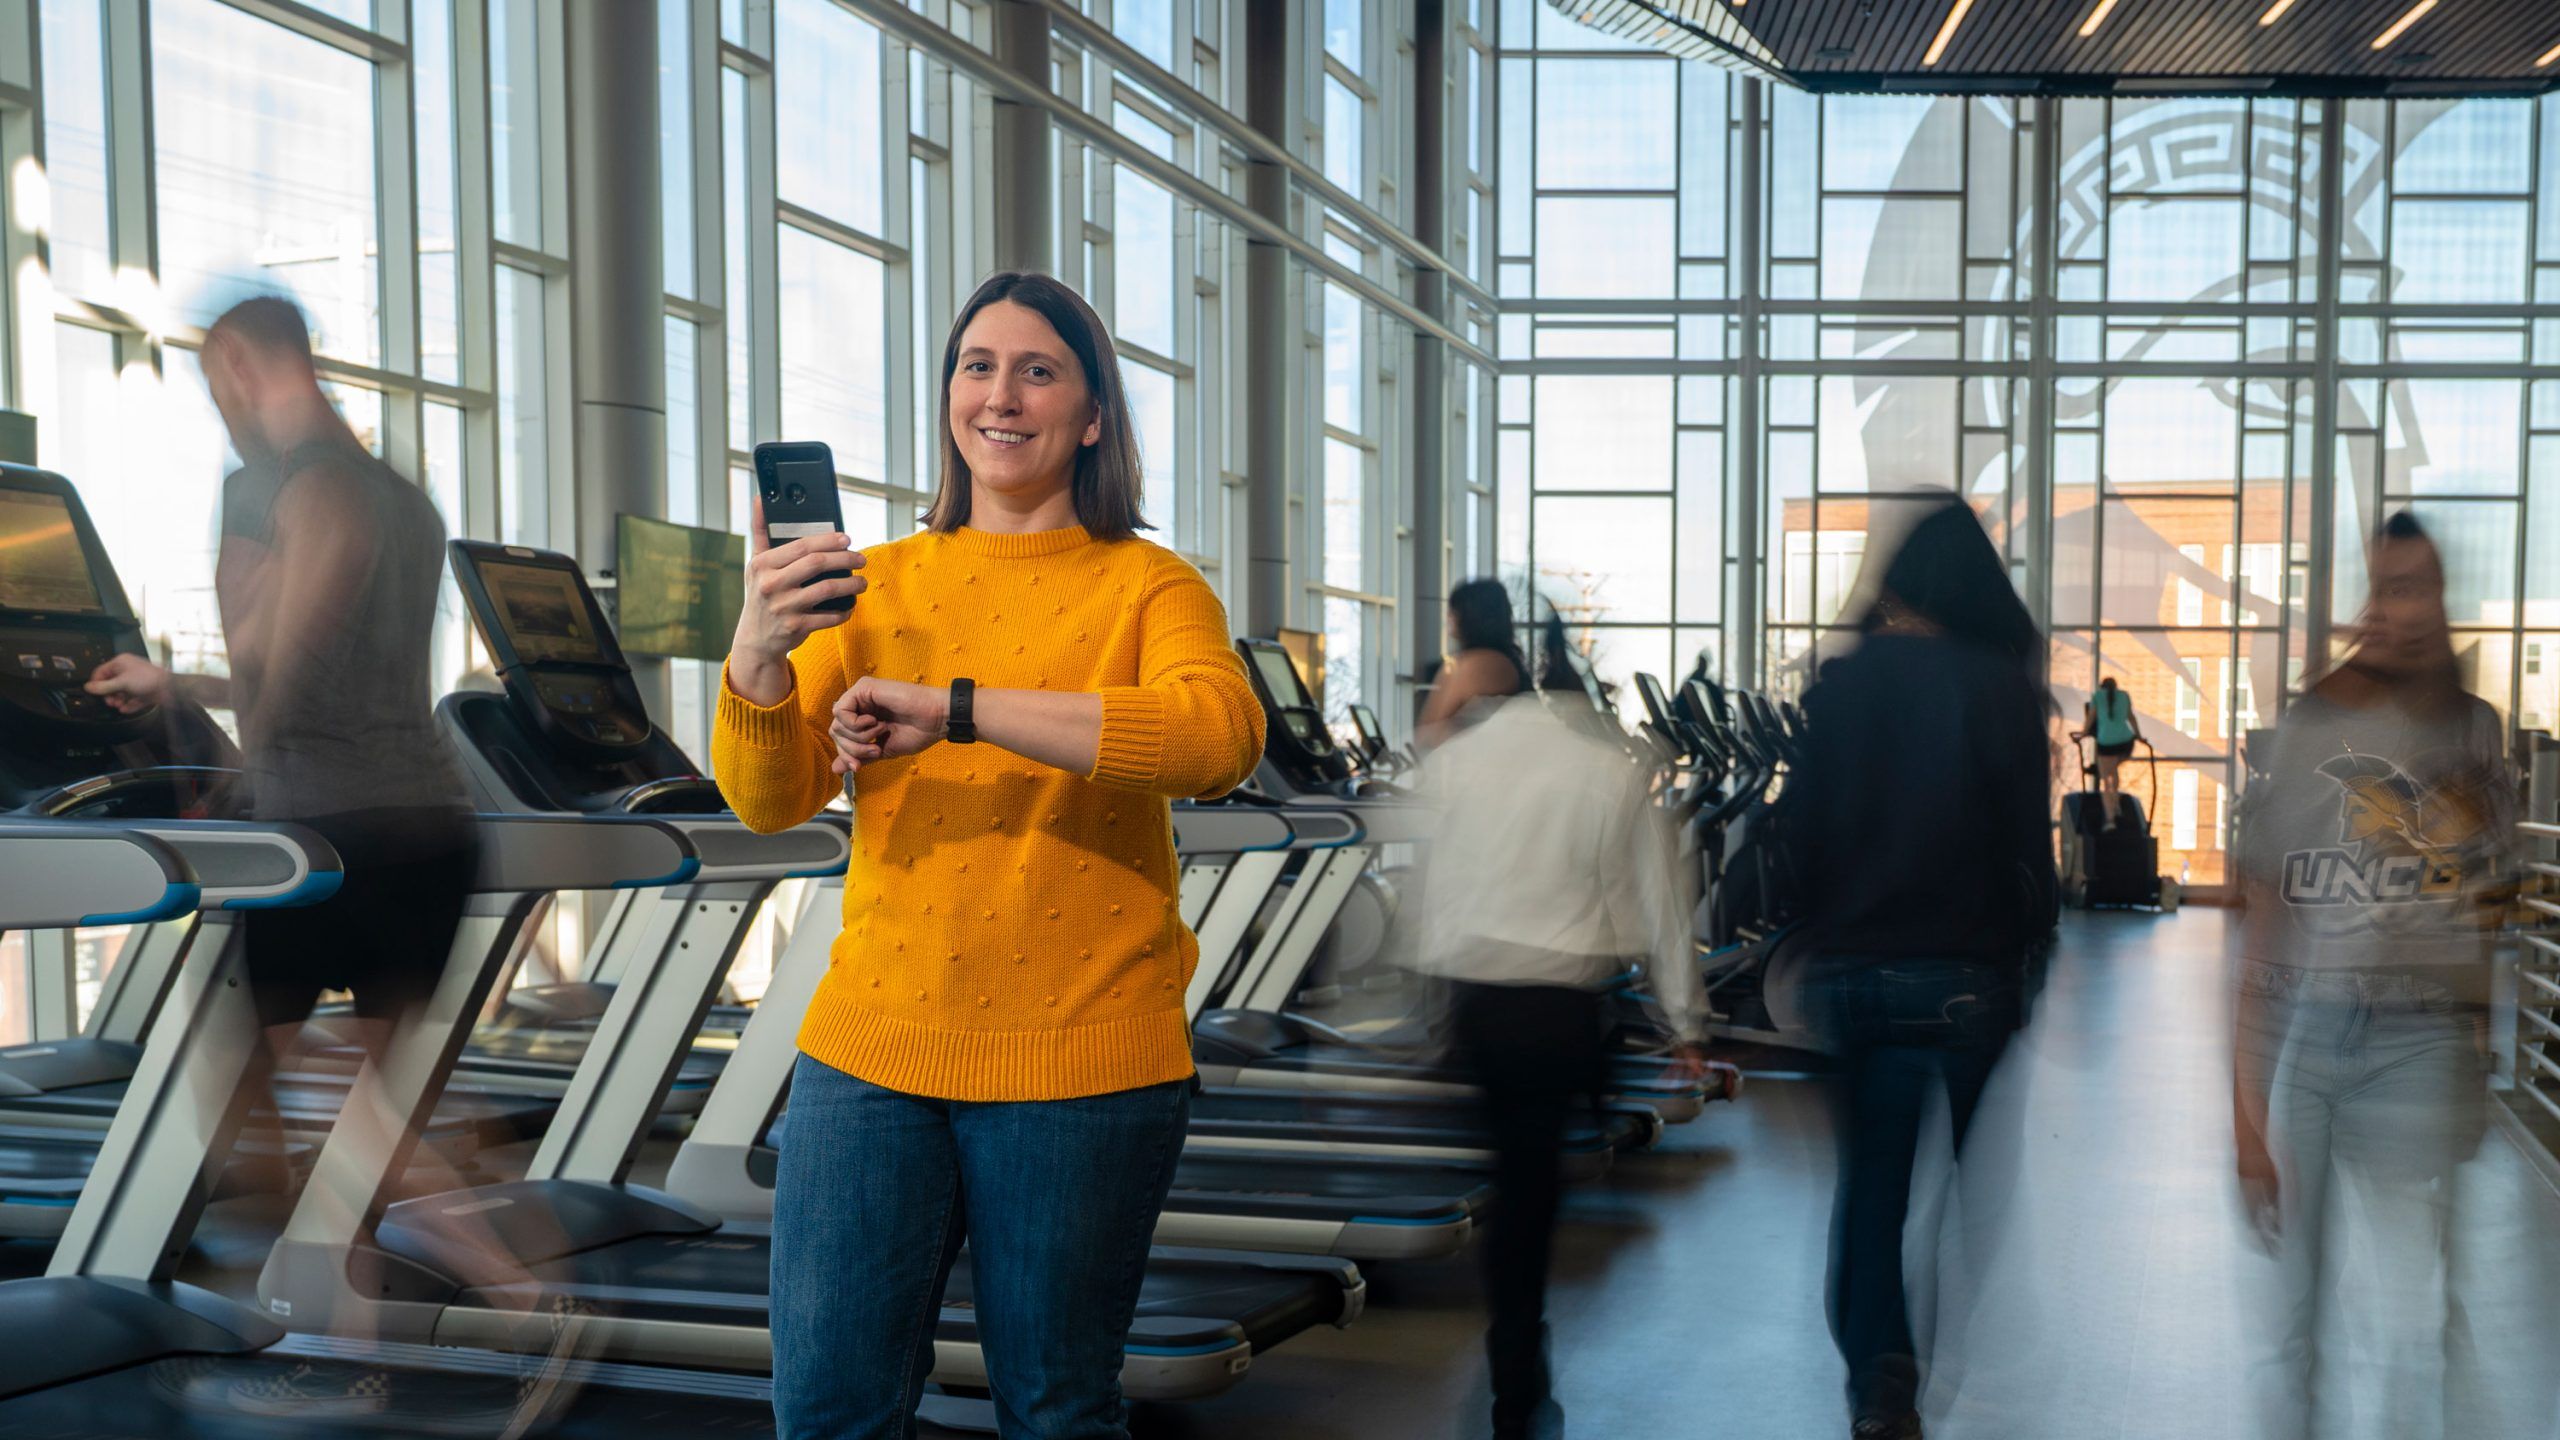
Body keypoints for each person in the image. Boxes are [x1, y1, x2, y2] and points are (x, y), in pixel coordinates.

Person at [717, 270, 1264, 1440]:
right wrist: (758, 653)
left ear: (1093, 413)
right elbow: (768, 801)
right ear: (949, 398)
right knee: (825, 1409)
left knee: (1056, 1412)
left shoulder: (1149, 584)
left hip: (1085, 1056)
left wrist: (955, 709)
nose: (1000, 396)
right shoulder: (874, 584)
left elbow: (1216, 739)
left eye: (1037, 369)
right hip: (873, 1053)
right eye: (977, 366)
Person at [80, 297, 557, 1427]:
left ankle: (525, 1291)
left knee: (255, 1102)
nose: (221, 408)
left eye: (214, 383)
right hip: (431, 832)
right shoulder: (406, 495)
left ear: (245, 363)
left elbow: (279, 671)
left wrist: (180, 699)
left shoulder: (287, 485)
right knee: (359, 1114)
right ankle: (353, 1351)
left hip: (333, 838)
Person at [1775, 499, 2057, 1440]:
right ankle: (1922, 1347)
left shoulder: (1843, 686)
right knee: (1960, 1192)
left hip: (1856, 972)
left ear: (1898, 584)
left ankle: (1882, 1380)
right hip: (1968, 976)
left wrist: (1816, 941)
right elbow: (2029, 851)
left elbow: (1797, 841)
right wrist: (2032, 962)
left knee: (1872, 1192)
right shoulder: (2005, 688)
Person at [2230, 511, 2509, 1440]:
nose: (2402, 609)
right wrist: (2245, 1119)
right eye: (2385, 588)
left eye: (2417, 587)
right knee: (2296, 1315)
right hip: (2314, 1030)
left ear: (2440, 600)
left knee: (2408, 1316)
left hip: (2421, 1040)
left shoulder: (2474, 728)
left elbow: (2483, 909)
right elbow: (2265, 922)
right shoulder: (2318, 721)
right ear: (2366, 602)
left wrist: (2475, 1051)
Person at [1403, 672, 1722, 1440]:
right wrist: (1686, 1023)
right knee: (1529, 1189)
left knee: (1507, 1173)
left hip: (1474, 1001)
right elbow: (1659, 904)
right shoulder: (1609, 771)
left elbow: (1424, 888)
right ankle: (1518, 1358)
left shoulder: (1458, 761)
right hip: (1556, 1009)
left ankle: (1514, 1341)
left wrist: (1410, 1011)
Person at [1415, 577, 1531, 748]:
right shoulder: (1508, 663)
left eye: (1453, 610)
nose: (1448, 617)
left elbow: (1427, 733)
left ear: (1468, 616)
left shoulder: (1466, 666)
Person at [2081, 675, 2141, 828]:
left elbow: (2091, 717)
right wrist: (2138, 735)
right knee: (2113, 773)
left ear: (2102, 687)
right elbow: (2131, 717)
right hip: (2126, 742)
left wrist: (2083, 733)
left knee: (2106, 781)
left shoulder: (2098, 696)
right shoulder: (2124, 695)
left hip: (2106, 743)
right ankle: (2116, 804)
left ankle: (2110, 818)